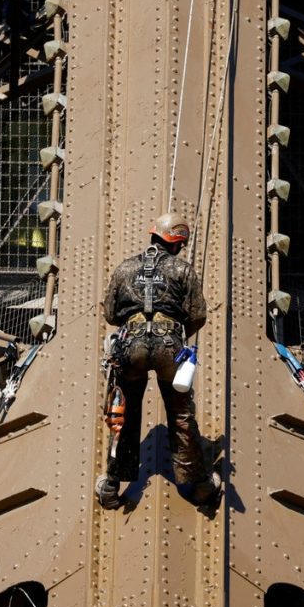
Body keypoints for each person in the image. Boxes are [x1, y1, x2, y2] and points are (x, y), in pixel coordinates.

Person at [96, 213, 220, 510]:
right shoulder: (182, 269)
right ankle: (201, 486)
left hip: (131, 346)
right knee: (181, 415)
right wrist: (177, 336)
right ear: (176, 242)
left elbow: (111, 315)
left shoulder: (125, 268)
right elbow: (198, 315)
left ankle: (112, 486)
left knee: (122, 412)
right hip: (169, 348)